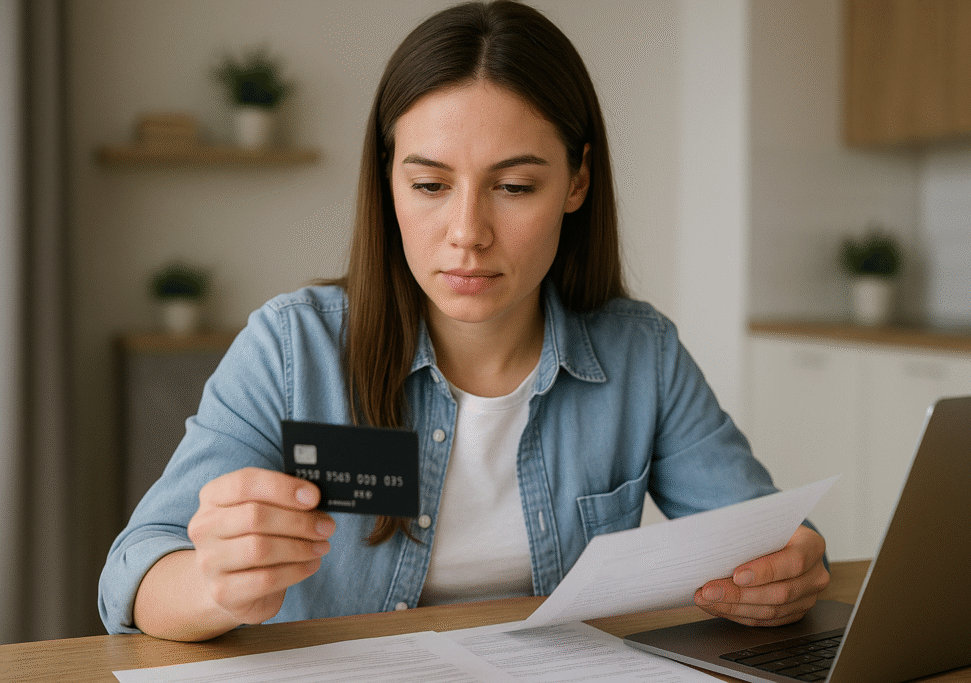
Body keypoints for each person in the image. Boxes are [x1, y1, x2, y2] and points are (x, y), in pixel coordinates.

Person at [99, 0, 828, 642]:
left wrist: (791, 569)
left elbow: (773, 537)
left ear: (577, 180)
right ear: (387, 183)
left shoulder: (642, 354)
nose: (467, 231)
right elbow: (134, 575)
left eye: (513, 185)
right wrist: (214, 584)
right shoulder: (293, 348)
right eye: (429, 184)